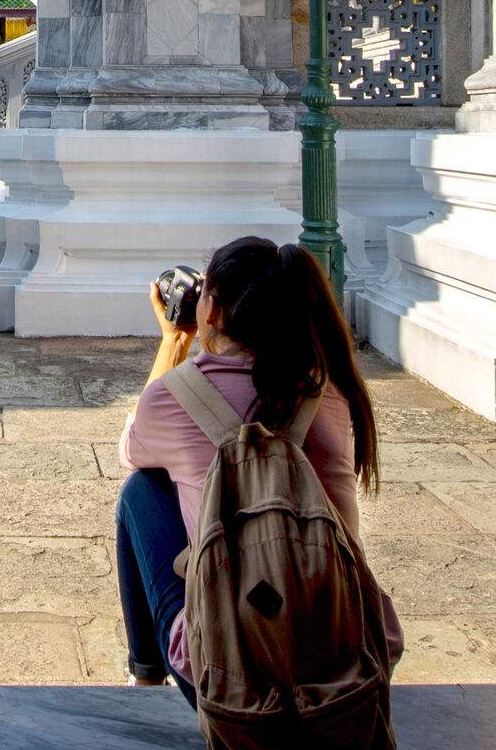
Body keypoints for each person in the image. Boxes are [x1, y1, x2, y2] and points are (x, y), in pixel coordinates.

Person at [113, 235, 387, 698]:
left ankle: (145, 675)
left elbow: (131, 448)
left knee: (142, 488)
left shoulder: (175, 397)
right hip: (347, 671)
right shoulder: (328, 390)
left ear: (213, 311)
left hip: (228, 682)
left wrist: (175, 343)